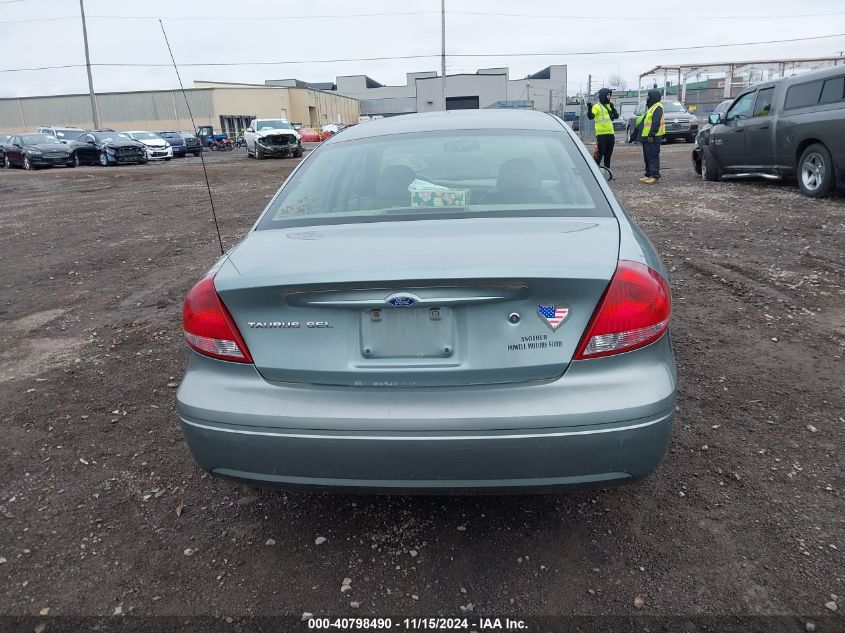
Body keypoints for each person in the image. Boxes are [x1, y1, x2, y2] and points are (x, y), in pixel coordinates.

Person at [636, 89, 665, 184]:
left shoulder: (658, 107)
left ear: (653, 97)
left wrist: (651, 134)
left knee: (653, 156)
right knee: (647, 156)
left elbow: (656, 122)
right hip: (647, 136)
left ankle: (654, 176)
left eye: (648, 96)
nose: (647, 98)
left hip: (653, 136)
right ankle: (648, 174)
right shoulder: (651, 107)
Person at [586, 88, 619, 169]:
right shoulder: (597, 106)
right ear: (603, 95)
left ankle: (607, 172)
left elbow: (616, 116)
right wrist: (590, 108)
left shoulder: (609, 105)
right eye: (607, 95)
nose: (609, 97)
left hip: (610, 134)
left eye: (610, 95)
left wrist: (613, 108)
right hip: (601, 135)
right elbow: (591, 117)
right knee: (599, 155)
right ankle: (595, 171)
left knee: (608, 155)